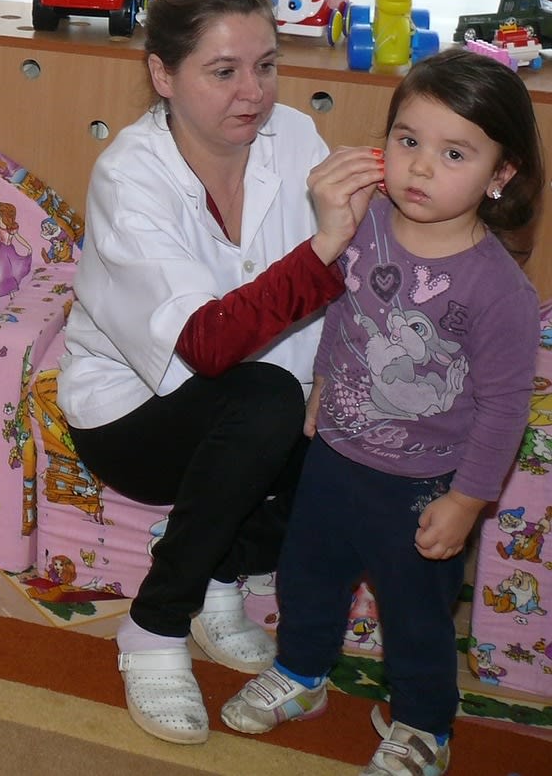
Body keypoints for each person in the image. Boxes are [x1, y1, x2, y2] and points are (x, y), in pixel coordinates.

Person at [58, 0, 381, 747]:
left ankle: (223, 577)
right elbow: (206, 345)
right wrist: (324, 246)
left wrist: (333, 376)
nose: (254, 92)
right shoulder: (129, 176)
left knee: (354, 414)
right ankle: (155, 624)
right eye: (224, 71)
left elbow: (357, 277)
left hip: (261, 400)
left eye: (267, 65)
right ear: (161, 74)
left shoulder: (294, 137)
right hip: (133, 415)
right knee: (265, 398)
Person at [222, 49, 541, 776]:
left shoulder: (499, 291)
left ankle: (425, 725)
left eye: (453, 152)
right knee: (308, 578)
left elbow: (503, 407)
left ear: (501, 175)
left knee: (417, 617)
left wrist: (468, 500)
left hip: (426, 483)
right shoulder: (364, 227)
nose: (421, 168)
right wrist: (323, 383)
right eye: (408, 141)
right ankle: (302, 676)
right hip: (335, 456)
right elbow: (348, 314)